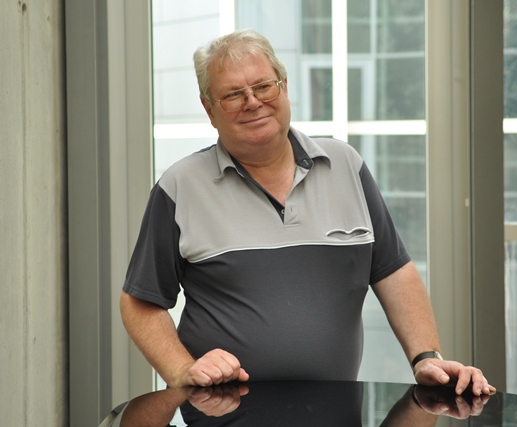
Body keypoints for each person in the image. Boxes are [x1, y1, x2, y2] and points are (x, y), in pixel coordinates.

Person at [120, 28, 495, 397]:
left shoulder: (345, 165)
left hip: (336, 413)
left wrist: (425, 357)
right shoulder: (180, 186)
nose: (252, 102)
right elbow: (139, 302)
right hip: (221, 415)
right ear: (209, 108)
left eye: (263, 86)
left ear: (283, 87)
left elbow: (393, 272)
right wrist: (182, 370)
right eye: (233, 94)